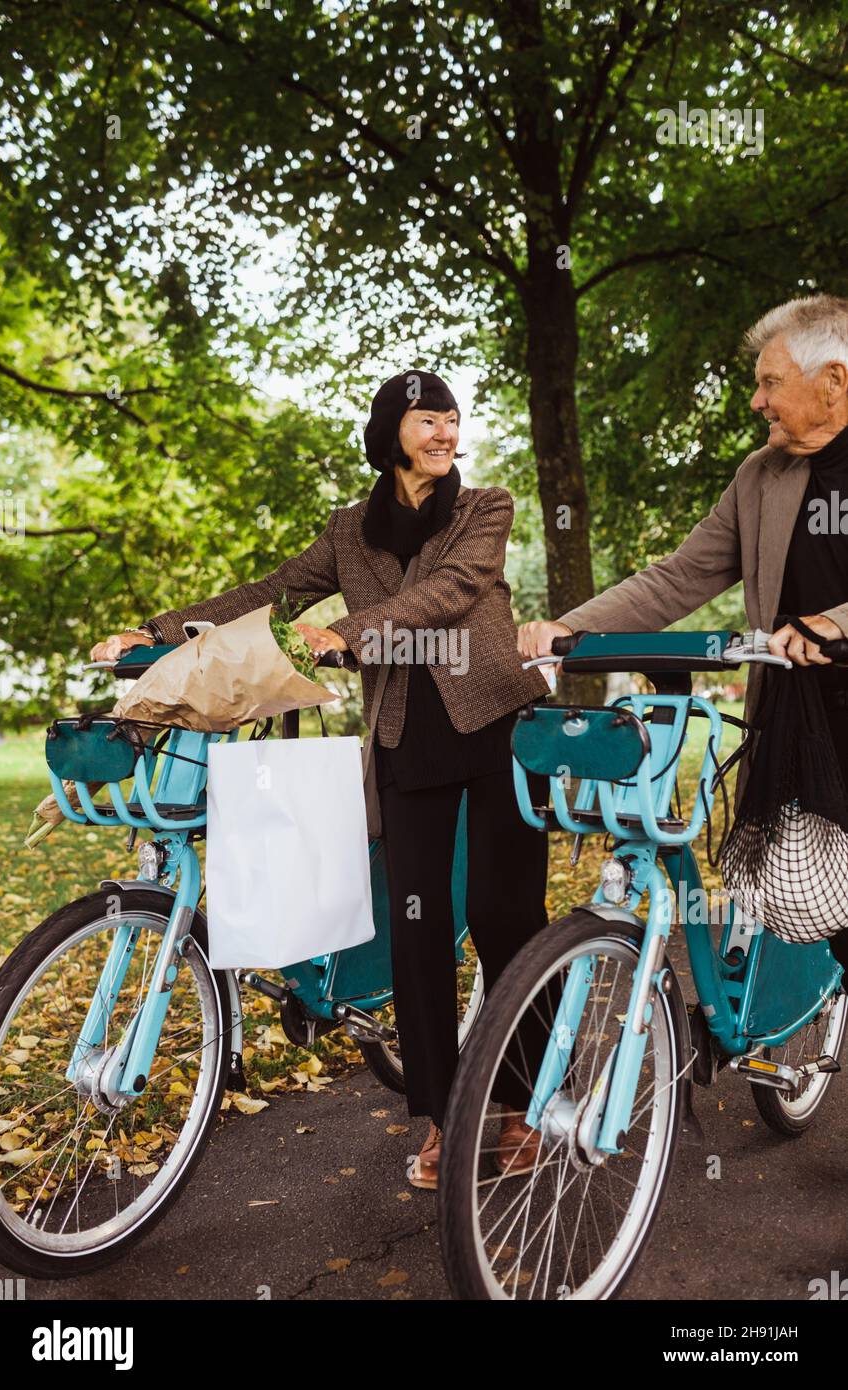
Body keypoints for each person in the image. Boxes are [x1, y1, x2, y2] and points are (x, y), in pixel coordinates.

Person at [91, 370, 551, 1189]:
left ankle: (520, 1109)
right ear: (389, 433)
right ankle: (447, 1118)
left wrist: (343, 633)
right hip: (409, 744)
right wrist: (158, 632)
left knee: (503, 915)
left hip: (497, 730)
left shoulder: (487, 507)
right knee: (416, 931)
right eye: (426, 420)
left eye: (451, 418)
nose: (445, 432)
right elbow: (272, 592)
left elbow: (452, 593)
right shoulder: (349, 530)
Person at [518, 292, 848, 967]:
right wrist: (570, 630)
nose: (756, 401)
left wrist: (833, 624)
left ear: (834, 381)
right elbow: (678, 578)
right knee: (808, 906)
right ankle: (781, 1048)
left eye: (769, 382)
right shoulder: (762, 476)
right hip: (794, 723)